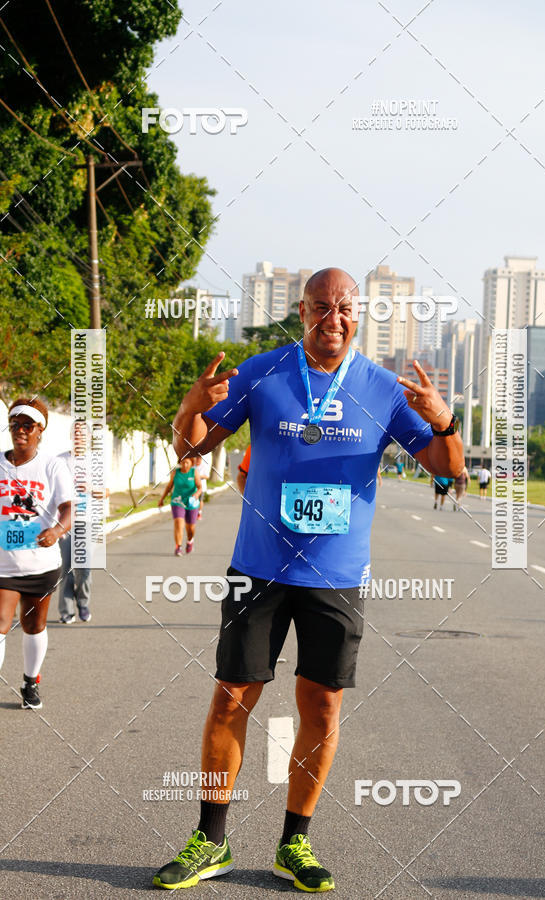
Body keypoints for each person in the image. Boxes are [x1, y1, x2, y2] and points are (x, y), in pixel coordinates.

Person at [154, 268, 464, 892]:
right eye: (322, 307)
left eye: (345, 309)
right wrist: (191, 406)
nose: (334, 319)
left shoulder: (383, 387)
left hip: (337, 577)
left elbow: (446, 473)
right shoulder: (263, 371)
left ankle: (295, 841)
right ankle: (209, 842)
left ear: (359, 315)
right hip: (259, 567)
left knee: (321, 706)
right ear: (302, 311)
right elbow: (193, 449)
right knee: (232, 697)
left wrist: (445, 423)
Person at [0, 398, 72, 709]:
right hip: (3, 563)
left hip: (41, 563)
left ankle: (31, 682)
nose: (21, 430)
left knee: (33, 625)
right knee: (0, 621)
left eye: (28, 426)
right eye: (15, 424)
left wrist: (57, 531)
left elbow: (69, 508)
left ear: (39, 430)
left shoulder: (52, 465)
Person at [57, 421, 94, 624]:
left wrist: (91, 488)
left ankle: (83, 602)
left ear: (88, 438)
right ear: (71, 436)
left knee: (84, 568)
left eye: (83, 434)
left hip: (86, 520)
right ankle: (66, 610)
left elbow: (106, 492)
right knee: (66, 568)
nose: (79, 436)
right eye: (76, 433)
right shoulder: (59, 461)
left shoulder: (95, 462)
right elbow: (51, 494)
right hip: (65, 522)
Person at [158, 458, 202, 556]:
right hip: (177, 501)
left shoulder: (194, 472)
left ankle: (190, 541)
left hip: (191, 502)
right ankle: (178, 547)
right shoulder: (175, 473)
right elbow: (169, 487)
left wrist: (196, 495)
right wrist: (162, 499)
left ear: (191, 463)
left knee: (190, 528)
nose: (185, 464)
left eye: (187, 462)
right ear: (180, 462)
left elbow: (200, 487)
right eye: (183, 462)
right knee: (178, 523)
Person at [194, 454, 211, 520]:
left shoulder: (204, 466)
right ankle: (193, 512)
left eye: (199, 458)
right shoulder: (193, 466)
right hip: (193, 486)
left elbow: (207, 476)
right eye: (197, 458)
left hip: (202, 486)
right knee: (194, 499)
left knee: (200, 500)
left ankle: (199, 513)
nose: (198, 460)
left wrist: (198, 476)